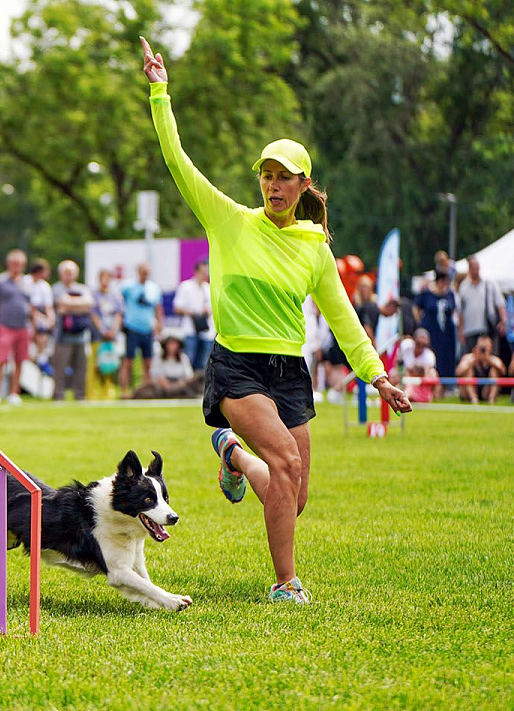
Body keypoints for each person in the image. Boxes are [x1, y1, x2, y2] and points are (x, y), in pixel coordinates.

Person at [141, 36, 411, 604]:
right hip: (236, 366)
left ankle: (230, 454)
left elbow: (343, 318)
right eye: (266, 175)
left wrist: (377, 375)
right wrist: (160, 91)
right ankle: (286, 583)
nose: (273, 185)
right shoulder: (230, 221)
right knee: (285, 461)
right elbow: (176, 160)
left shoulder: (315, 246)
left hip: (289, 372)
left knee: (293, 493)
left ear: (303, 184)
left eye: (285, 177)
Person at [0, 249, 33, 405]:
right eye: (14, 263)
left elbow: (31, 307)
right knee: (1, 360)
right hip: (5, 326)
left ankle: (14, 393)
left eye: (20, 264)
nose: (17, 266)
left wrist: (32, 326)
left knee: (20, 361)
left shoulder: (27, 282)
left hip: (23, 327)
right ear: (8, 264)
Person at [50, 260, 93, 400]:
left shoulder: (83, 288)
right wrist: (79, 305)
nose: (69, 275)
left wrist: (69, 304)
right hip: (62, 336)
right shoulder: (56, 289)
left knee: (81, 368)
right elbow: (61, 305)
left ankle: (80, 395)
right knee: (60, 368)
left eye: (71, 272)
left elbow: (89, 304)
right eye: (66, 272)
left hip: (81, 336)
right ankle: (59, 395)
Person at [119, 262, 163, 396]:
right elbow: (117, 298)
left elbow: (158, 307)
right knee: (128, 361)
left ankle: (146, 390)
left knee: (148, 362)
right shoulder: (128, 287)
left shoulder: (153, 288)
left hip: (147, 329)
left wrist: (159, 323)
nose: (145, 275)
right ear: (138, 272)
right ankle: (124, 391)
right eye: (143, 272)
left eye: (147, 272)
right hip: (132, 328)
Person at [457, 255, 507, 356]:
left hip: (487, 329)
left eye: (477, 268)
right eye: (473, 268)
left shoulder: (489, 284)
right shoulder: (464, 286)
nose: (475, 271)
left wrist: (503, 321)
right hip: (469, 330)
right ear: (469, 269)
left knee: (490, 357)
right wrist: (461, 330)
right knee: (470, 357)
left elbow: (500, 304)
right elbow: (460, 311)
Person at [414, 271, 459, 380]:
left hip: (446, 331)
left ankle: (447, 383)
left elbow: (454, 310)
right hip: (431, 331)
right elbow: (416, 307)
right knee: (433, 354)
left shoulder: (449, 294)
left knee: (447, 357)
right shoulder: (427, 294)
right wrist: (420, 323)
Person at [90, 269, 125, 400]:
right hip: (98, 336)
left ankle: (108, 394)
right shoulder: (94, 294)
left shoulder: (116, 295)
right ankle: (92, 394)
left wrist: (113, 330)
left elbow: (118, 314)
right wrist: (103, 330)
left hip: (112, 337)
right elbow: (94, 315)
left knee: (110, 365)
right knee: (96, 365)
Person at [173, 260, 213, 371]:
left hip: (207, 332)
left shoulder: (208, 288)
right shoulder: (186, 286)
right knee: (188, 362)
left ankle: (201, 387)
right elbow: (177, 307)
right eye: (202, 271)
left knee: (204, 364)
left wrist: (207, 311)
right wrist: (193, 312)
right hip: (190, 330)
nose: (205, 274)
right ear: (196, 271)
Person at [133, 336, 201, 399]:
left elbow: (189, 375)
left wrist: (180, 383)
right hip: (162, 385)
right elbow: (153, 373)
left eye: (174, 344)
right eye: (170, 344)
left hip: (180, 385)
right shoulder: (158, 357)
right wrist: (161, 381)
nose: (172, 347)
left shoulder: (183, 358)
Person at [456, 334, 506, 404]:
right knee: (468, 371)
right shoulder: (469, 358)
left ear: (490, 348)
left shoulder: (493, 359)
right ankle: (474, 399)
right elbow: (458, 372)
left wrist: (488, 360)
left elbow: (503, 371)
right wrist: (474, 360)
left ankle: (491, 400)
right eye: (481, 348)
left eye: (485, 348)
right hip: (469, 390)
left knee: (494, 371)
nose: (483, 351)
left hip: (486, 390)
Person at [29, 259, 55, 376]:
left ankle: (42, 358)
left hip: (39, 317)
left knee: (43, 332)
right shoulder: (25, 282)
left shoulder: (44, 286)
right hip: (26, 317)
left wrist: (51, 319)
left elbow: (48, 307)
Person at [399, 328, 439, 404]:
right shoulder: (405, 347)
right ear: (414, 340)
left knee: (433, 374)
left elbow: (429, 376)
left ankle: (429, 396)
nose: (421, 347)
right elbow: (397, 365)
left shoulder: (430, 356)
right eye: (418, 343)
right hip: (404, 378)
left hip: (421, 384)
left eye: (424, 345)